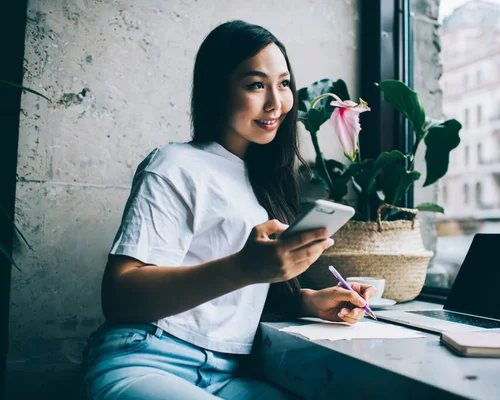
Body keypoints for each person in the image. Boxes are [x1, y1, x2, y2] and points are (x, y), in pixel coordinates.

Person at [82, 20, 376, 400]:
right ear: (217, 90)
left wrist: (308, 300)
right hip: (144, 358)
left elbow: (235, 301)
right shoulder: (175, 163)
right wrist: (243, 266)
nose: (276, 102)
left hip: (227, 372)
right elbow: (119, 297)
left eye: (284, 84)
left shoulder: (266, 183)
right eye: (256, 84)